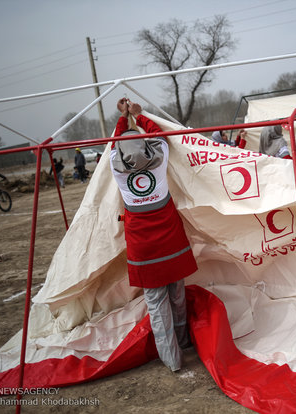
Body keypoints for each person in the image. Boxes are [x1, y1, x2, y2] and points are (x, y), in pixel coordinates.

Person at [110, 98, 197, 372]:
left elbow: (115, 143)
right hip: (170, 239)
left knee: (157, 304)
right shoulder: (159, 159)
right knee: (177, 294)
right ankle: (184, 342)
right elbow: (161, 136)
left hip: (142, 247)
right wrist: (140, 115)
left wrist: (123, 119)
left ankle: (172, 359)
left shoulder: (116, 167)